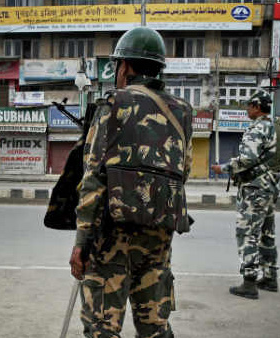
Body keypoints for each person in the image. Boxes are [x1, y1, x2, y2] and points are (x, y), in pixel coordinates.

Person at [69, 26, 194, 338]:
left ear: (125, 66)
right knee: (155, 327)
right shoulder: (183, 111)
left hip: (112, 236)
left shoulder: (113, 104)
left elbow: (93, 178)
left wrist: (81, 243)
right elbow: (183, 171)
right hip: (159, 237)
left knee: (102, 327)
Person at [211, 91, 280, 299]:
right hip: (271, 188)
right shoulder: (277, 128)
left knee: (247, 233)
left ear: (256, 107)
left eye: (249, 106)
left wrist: (224, 168)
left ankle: (249, 282)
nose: (246, 110)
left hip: (255, 190)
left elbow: (247, 160)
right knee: (267, 233)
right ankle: (270, 277)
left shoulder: (257, 128)